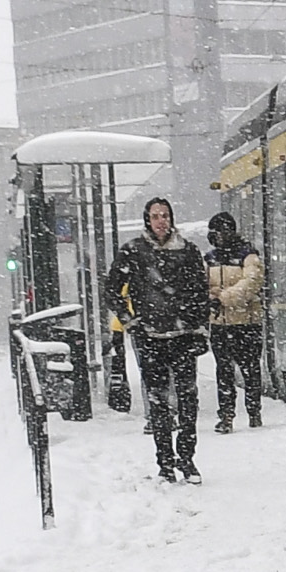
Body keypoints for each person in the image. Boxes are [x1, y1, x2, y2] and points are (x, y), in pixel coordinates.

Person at [107, 195, 213, 482]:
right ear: (147, 220)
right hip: (150, 336)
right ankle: (165, 461)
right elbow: (112, 289)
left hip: (183, 336)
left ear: (171, 218)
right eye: (155, 216)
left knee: (188, 400)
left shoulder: (188, 251)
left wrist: (200, 327)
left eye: (165, 215)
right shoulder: (133, 252)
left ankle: (187, 458)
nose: (161, 221)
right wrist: (131, 322)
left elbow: (201, 292)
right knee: (158, 401)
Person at [204, 212, 268, 431]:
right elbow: (200, 284)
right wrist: (209, 298)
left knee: (250, 369)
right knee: (223, 371)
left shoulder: (248, 255)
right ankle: (226, 415)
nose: (217, 237)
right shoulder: (210, 258)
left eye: (220, 232)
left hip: (246, 324)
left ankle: (253, 411)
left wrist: (222, 297)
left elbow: (251, 284)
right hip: (220, 325)